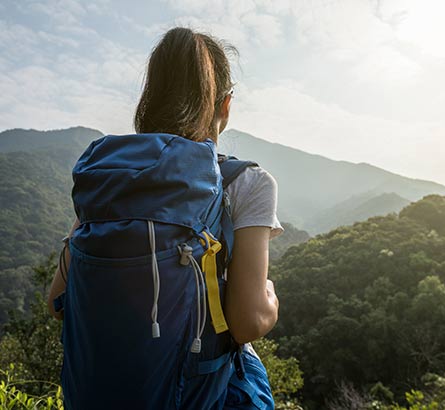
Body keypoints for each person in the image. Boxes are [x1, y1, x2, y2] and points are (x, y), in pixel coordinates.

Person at [47, 27, 282, 408]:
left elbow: (58, 299)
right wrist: (268, 295)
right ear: (225, 105)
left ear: (149, 100)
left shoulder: (109, 179)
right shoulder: (247, 182)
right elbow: (248, 321)